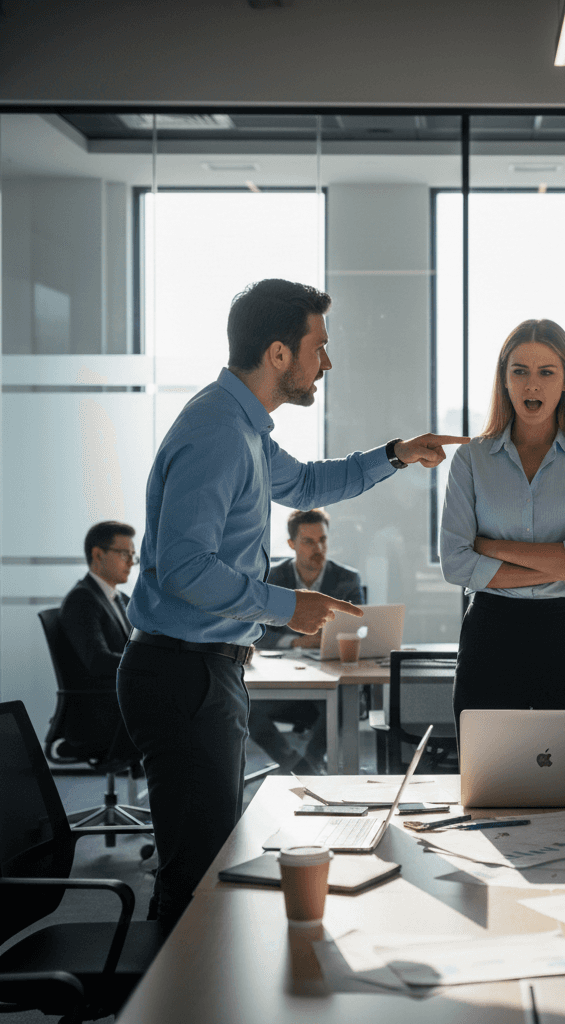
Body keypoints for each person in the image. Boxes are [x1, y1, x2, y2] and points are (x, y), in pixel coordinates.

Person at [117, 278, 468, 927]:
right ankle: (174, 983)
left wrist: (394, 455)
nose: (326, 362)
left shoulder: (244, 428)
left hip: (204, 667)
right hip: (183, 671)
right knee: (194, 876)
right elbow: (186, 567)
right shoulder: (219, 432)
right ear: (279, 353)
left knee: (204, 862)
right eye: (318, 347)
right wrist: (287, 607)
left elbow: (305, 483)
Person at [440, 319, 565, 735]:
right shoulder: (471, 458)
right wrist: (562, 561)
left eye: (546, 372)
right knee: (490, 769)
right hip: (492, 631)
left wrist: (490, 547)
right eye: (519, 371)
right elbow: (455, 563)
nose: (531, 384)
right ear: (504, 380)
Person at [249, 507, 362, 774]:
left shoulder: (347, 579)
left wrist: (330, 642)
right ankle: (298, 765)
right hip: (284, 684)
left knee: (346, 699)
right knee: (246, 706)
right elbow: (256, 631)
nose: (318, 548)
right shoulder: (272, 578)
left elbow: (359, 631)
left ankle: (311, 759)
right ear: (291, 544)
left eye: (322, 540)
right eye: (308, 541)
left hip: (330, 683)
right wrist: (297, 643)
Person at [56, 521, 139, 756]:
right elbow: (98, 661)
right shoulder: (82, 599)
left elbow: (138, 645)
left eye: (133, 556)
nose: (131, 562)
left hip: (120, 704)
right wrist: (149, 663)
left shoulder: (119, 598)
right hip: (100, 716)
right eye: (124, 554)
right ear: (98, 554)